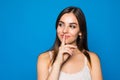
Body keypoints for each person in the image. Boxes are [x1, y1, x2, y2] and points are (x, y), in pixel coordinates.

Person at [37, 6, 103, 80]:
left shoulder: (92, 59)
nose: (64, 30)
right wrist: (58, 63)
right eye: (61, 24)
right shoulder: (44, 58)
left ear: (80, 32)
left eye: (72, 26)